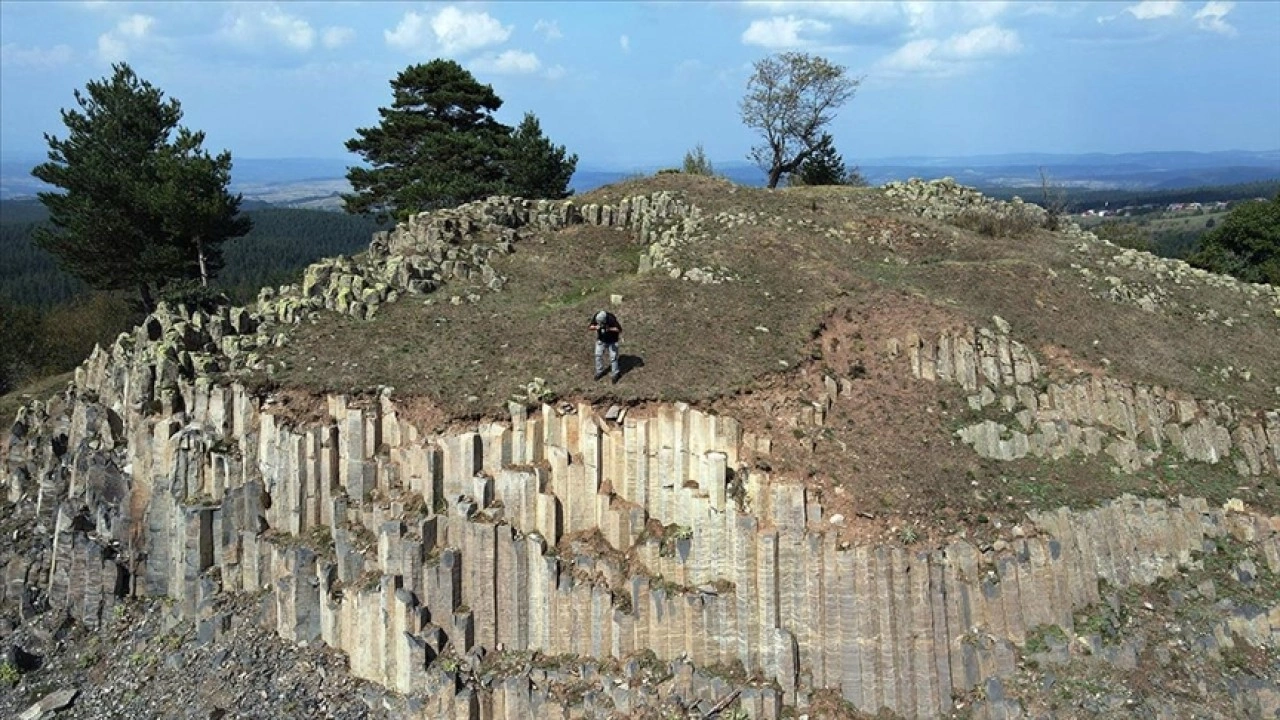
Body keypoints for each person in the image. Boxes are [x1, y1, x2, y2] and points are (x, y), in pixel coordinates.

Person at [588, 309, 622, 383]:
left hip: (612, 341)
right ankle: (599, 372)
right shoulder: (597, 316)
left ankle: (615, 374)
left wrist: (609, 329)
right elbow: (590, 327)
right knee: (598, 355)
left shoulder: (611, 318)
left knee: (613, 358)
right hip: (601, 340)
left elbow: (619, 329)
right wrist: (595, 327)